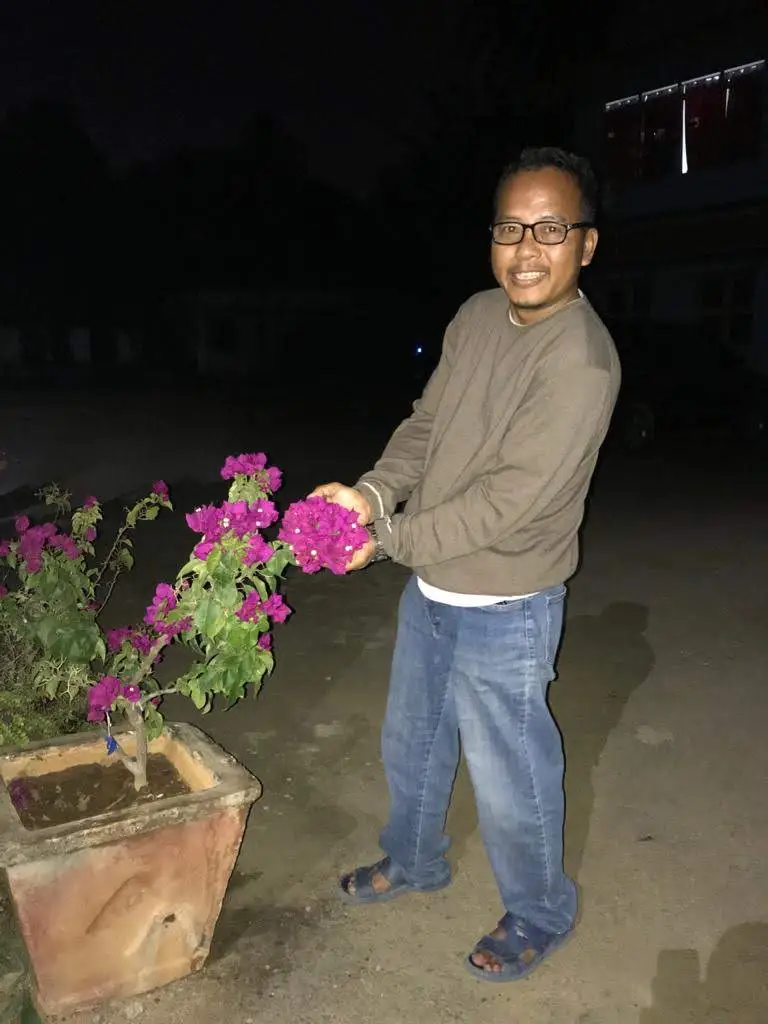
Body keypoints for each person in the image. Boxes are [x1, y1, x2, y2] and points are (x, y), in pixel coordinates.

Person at [309, 146, 621, 982]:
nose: (527, 249)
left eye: (551, 229)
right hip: (434, 587)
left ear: (586, 243)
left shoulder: (581, 362)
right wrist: (370, 495)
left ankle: (541, 909)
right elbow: (426, 425)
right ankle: (414, 859)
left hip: (509, 603)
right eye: (510, 228)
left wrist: (387, 540)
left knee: (512, 775)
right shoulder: (477, 315)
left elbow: (504, 504)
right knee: (410, 741)